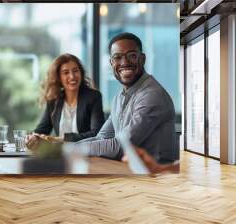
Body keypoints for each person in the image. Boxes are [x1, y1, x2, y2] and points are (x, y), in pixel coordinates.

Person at [78, 32, 179, 164]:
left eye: (131, 55)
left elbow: (121, 146)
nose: (124, 62)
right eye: (117, 57)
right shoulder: (118, 98)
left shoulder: (152, 95)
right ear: (111, 63)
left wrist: (70, 149)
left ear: (142, 59)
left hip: (156, 178)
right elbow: (102, 138)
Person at [26, 53, 105, 148]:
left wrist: (62, 138)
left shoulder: (93, 97)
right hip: (61, 156)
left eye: (75, 71)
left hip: (89, 154)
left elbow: (97, 133)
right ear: (58, 77)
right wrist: (33, 137)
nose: (72, 76)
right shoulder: (54, 100)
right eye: (66, 72)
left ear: (81, 73)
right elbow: (42, 130)